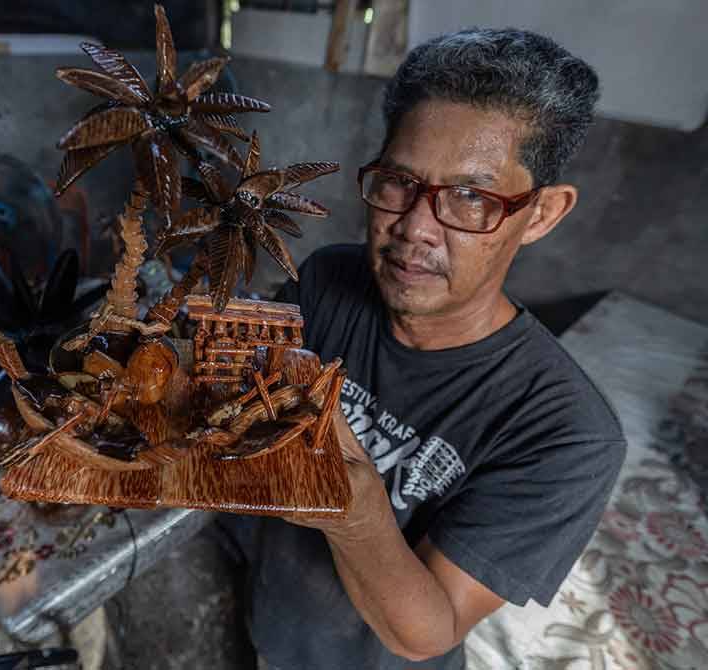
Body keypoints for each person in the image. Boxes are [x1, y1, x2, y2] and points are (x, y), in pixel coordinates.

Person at [228, 27, 627, 670]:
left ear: (545, 213)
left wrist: (350, 504)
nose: (414, 228)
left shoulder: (568, 435)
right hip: (270, 620)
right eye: (396, 182)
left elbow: (424, 633)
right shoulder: (329, 278)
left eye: (471, 197)